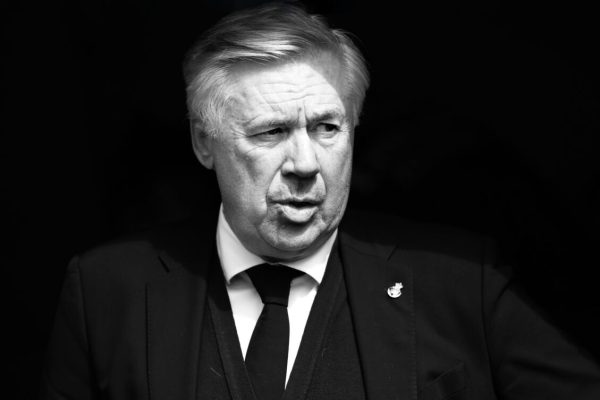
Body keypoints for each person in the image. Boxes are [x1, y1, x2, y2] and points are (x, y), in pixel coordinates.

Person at [41, 3, 600, 399]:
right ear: (202, 143)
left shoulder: (460, 282)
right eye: (269, 132)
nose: (306, 163)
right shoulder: (106, 290)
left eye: (328, 128)